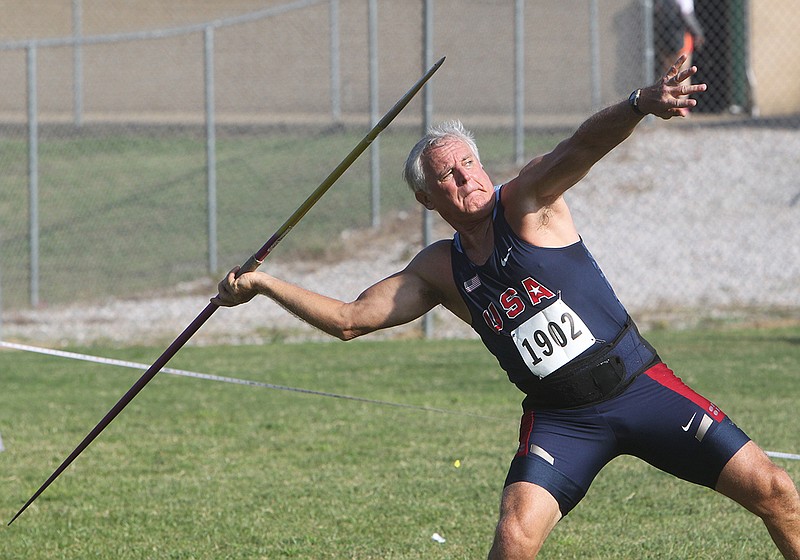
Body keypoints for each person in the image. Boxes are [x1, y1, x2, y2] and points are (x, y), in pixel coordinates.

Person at [212, 56, 800, 559]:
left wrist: (638, 104)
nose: (465, 177)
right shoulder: (440, 269)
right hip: (561, 419)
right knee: (515, 538)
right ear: (426, 197)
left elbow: (581, 146)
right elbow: (350, 320)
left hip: (637, 386)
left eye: (469, 163)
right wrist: (265, 284)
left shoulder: (526, 203)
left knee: (775, 490)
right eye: (447, 174)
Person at [654, 0, 705, 77]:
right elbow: (687, 15)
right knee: (683, 73)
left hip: (664, 41)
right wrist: (698, 33)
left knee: (667, 74)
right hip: (681, 42)